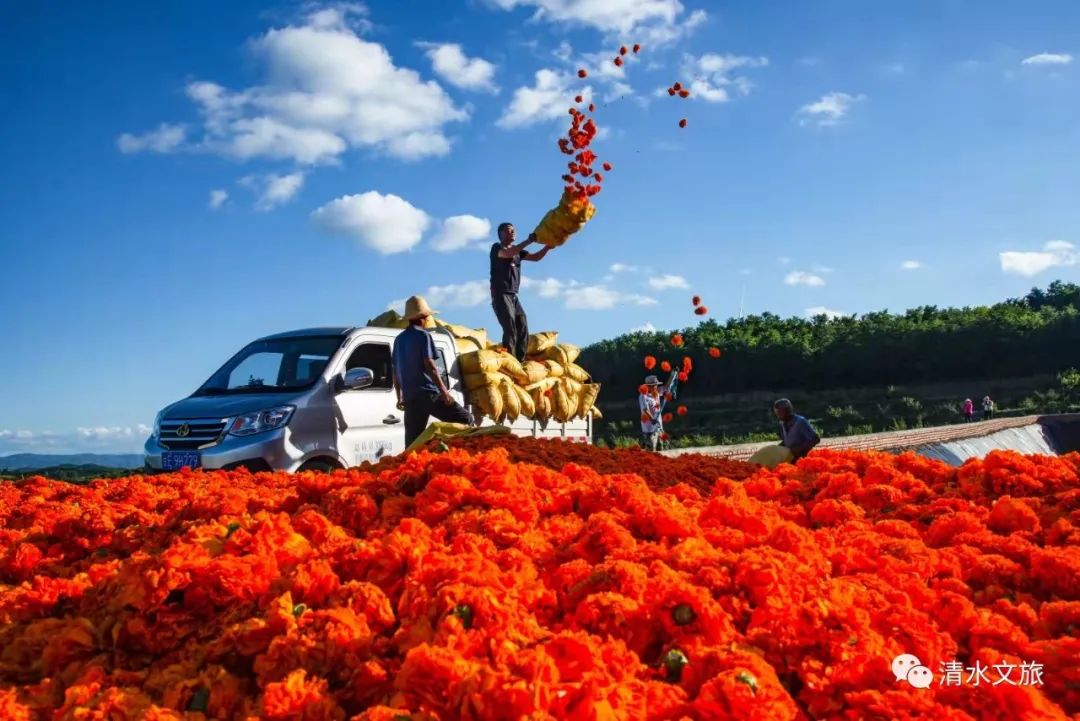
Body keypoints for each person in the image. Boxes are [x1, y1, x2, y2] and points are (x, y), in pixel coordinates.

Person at [392, 295, 473, 448]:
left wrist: (399, 396)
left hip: (410, 398)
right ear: (423, 318)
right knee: (465, 418)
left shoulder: (399, 339)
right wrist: (444, 392)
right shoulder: (424, 336)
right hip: (428, 394)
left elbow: (395, 371)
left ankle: (414, 462)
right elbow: (430, 366)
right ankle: (456, 453)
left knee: (413, 443)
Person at [490, 222, 551, 360]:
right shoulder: (497, 248)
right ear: (501, 234)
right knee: (510, 327)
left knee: (522, 324)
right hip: (501, 294)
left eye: (513, 230)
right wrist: (528, 241)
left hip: (513, 295)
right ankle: (509, 360)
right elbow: (508, 253)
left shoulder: (518, 252)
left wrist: (547, 247)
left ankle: (520, 360)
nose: (512, 232)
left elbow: (535, 257)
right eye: (508, 230)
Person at [640, 375, 665, 452]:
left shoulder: (656, 393)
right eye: (655, 385)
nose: (656, 386)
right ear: (649, 386)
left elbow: (667, 387)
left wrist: (673, 375)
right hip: (649, 430)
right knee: (650, 451)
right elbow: (645, 410)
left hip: (658, 428)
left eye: (656, 385)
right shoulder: (643, 396)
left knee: (660, 450)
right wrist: (652, 419)